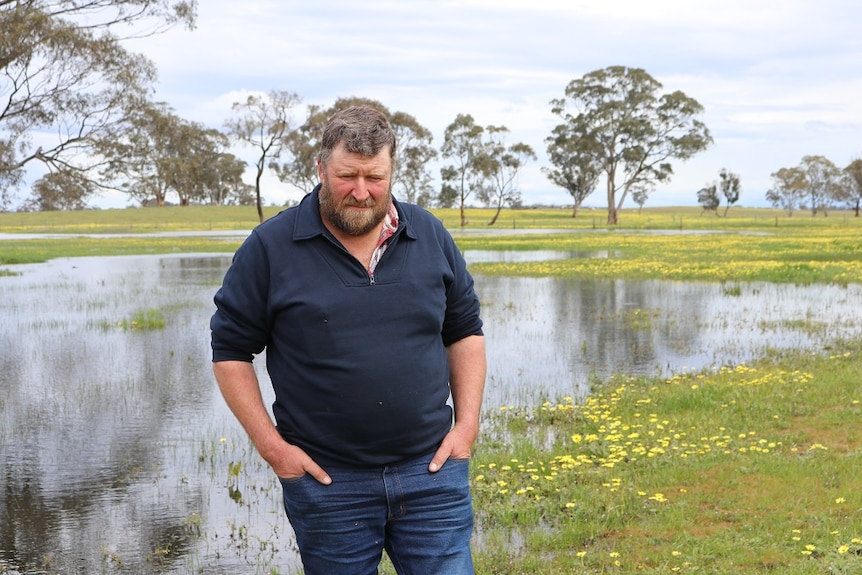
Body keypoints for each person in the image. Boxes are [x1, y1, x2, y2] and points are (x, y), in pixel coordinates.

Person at [210, 105, 486, 574]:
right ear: (320, 169)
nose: (361, 192)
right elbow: (231, 350)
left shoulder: (430, 234)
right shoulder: (270, 246)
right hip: (328, 483)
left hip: (433, 474)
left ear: (392, 170)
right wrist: (275, 450)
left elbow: (464, 333)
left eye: (375, 177)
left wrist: (467, 427)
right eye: (347, 176)